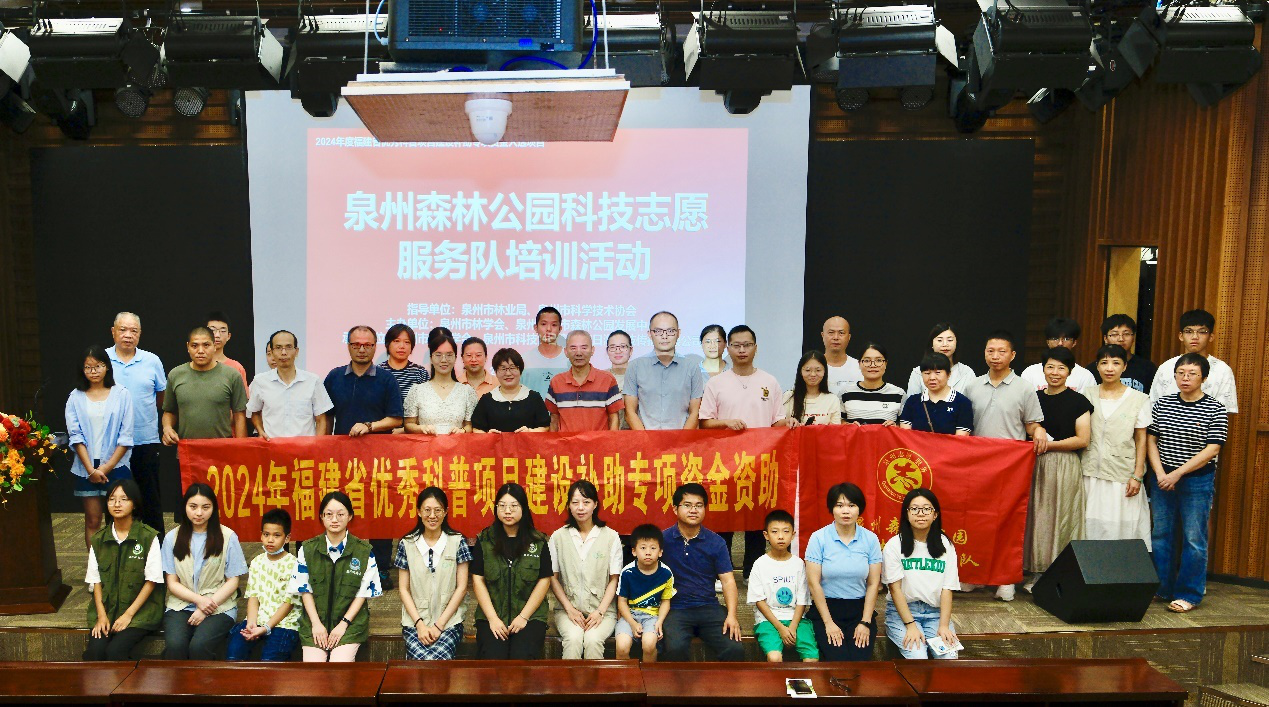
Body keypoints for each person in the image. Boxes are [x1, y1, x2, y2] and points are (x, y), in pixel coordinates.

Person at [699, 325, 791, 580]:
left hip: (760, 461)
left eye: (747, 345)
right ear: (727, 348)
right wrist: (726, 423)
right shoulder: (716, 383)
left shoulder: (769, 381)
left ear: (755, 348)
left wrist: (789, 423)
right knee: (724, 519)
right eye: (736, 345)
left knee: (756, 517)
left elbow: (776, 421)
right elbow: (704, 422)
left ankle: (753, 573)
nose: (742, 350)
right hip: (724, 463)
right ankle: (723, 573)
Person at [961, 330, 1046, 601]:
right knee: (975, 520)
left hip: (1011, 467)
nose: (995, 356)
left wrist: (1039, 431)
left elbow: (1032, 424)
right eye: (990, 351)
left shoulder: (1024, 388)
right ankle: (973, 575)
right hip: (977, 465)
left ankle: (1005, 578)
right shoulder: (972, 386)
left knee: (1008, 522)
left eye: (1001, 351)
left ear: (1013, 355)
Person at [1147, 353, 1228, 613]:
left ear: (1204, 378)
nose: (1185, 378)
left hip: (1196, 480)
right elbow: (1151, 440)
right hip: (1162, 478)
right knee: (1161, 535)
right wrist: (1160, 473)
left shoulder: (1215, 408)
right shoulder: (1162, 404)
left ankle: (1189, 594)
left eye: (1192, 373)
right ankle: (1162, 588)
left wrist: (1177, 474)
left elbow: (1212, 449)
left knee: (1194, 538)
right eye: (1181, 373)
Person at [1026, 347, 1093, 585]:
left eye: (1061, 368)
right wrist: (1037, 431)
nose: (1055, 372)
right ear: (1043, 369)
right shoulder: (1033, 397)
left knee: (1062, 516)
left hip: (1065, 463)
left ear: (1070, 372)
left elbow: (1083, 439)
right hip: (1034, 463)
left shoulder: (1079, 401)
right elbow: (1027, 424)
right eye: (1050, 367)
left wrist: (1048, 445)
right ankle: (1035, 571)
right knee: (1036, 516)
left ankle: (1058, 573)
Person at [292, 491, 383, 661]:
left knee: (339, 665)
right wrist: (316, 624)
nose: (334, 519)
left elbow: (362, 594)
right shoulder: (307, 549)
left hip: (350, 626)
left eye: (340, 514)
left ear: (350, 516)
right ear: (321, 516)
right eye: (329, 514)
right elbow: (305, 590)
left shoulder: (364, 552)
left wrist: (343, 625)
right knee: (313, 669)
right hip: (314, 623)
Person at [161, 483, 248, 660]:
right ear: (185, 507)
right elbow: (172, 583)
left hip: (219, 605)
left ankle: (206, 679)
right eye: (193, 507)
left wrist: (207, 607)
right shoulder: (172, 538)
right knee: (176, 646)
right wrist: (198, 600)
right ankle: (177, 679)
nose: (199, 513)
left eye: (205, 507)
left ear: (213, 509)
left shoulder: (228, 536)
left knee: (199, 646)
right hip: (181, 604)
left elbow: (233, 581)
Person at [660, 483, 744, 662]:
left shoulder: (716, 542)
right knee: (674, 648)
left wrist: (732, 615)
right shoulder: (662, 540)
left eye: (699, 505)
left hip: (709, 606)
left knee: (734, 648)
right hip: (675, 608)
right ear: (675, 509)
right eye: (687, 505)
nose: (693, 510)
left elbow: (728, 581)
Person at [83, 479, 163, 661]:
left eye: (123, 499)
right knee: (95, 653)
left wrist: (128, 615)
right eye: (112, 499)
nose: (117, 504)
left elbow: (152, 581)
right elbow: (96, 581)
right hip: (108, 610)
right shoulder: (98, 539)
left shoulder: (148, 537)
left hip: (140, 612)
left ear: (134, 504)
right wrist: (101, 616)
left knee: (115, 652)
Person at [471, 483, 552, 659]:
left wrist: (523, 617)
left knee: (522, 656)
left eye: (514, 506)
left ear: (523, 508)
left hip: (530, 617)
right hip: (492, 616)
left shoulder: (538, 542)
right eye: (502, 506)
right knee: (493, 655)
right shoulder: (485, 540)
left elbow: (544, 580)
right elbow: (478, 580)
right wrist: (492, 618)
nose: (507, 511)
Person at [1082, 344, 1152, 546]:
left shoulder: (1139, 399)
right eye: (1104, 363)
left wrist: (1137, 474)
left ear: (1124, 367)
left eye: (1116, 363)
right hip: (1089, 472)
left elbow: (1141, 439)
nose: (1109, 368)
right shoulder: (1087, 395)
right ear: (1097, 366)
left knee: (1120, 529)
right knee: (1088, 528)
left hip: (1122, 474)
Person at [67, 346, 136, 548]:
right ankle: (94, 566)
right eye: (88, 367)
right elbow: (75, 437)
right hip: (86, 467)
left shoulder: (122, 394)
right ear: (82, 370)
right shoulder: (75, 397)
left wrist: (105, 468)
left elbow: (126, 436)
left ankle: (121, 565)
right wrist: (91, 470)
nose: (94, 371)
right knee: (93, 520)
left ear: (107, 367)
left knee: (120, 519)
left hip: (116, 465)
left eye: (98, 366)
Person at [805, 482, 883, 661]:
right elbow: (813, 583)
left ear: (859, 509)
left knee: (859, 661)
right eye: (839, 505)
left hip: (860, 610)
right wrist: (828, 623)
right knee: (839, 660)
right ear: (832, 509)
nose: (846, 511)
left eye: (851, 505)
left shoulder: (870, 539)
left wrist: (865, 622)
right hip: (827, 609)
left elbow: (873, 584)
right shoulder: (818, 538)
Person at [106, 312, 167, 533]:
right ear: (113, 332)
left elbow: (161, 397)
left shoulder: (152, 361)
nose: (128, 335)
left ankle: (156, 549)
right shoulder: (102, 360)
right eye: (123, 330)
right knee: (115, 499)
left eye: (134, 331)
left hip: (145, 439)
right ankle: (115, 547)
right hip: (111, 443)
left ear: (140, 334)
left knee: (150, 498)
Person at [882, 488, 961, 660]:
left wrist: (944, 625)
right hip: (902, 613)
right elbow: (895, 589)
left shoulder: (945, 545)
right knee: (918, 657)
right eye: (915, 509)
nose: (921, 513)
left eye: (927, 508)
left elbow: (947, 588)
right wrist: (910, 625)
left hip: (936, 613)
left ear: (935, 514)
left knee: (949, 657)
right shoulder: (894, 545)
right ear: (907, 514)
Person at [396, 487, 471, 661]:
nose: (432, 516)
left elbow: (461, 588)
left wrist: (439, 625)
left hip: (449, 622)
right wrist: (419, 625)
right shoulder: (407, 544)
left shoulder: (458, 541)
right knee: (420, 662)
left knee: (440, 661)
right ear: (418, 512)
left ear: (445, 512)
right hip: (415, 623)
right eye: (427, 510)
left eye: (438, 510)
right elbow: (403, 589)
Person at [549, 480, 622, 659]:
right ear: (569, 505)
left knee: (593, 640)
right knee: (573, 639)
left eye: (586, 502)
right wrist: (569, 609)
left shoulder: (611, 537)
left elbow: (614, 579)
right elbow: (553, 578)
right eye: (575, 502)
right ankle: (568, 679)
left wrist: (600, 612)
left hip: (603, 611)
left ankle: (594, 679)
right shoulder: (558, 537)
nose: (580, 508)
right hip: (567, 610)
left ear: (595, 504)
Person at [226, 509, 300, 661]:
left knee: (269, 660)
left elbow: (289, 603)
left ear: (287, 538)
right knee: (234, 653)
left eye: (277, 535)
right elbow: (253, 596)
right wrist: (251, 623)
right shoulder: (257, 562)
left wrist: (266, 628)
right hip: (258, 619)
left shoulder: (294, 564)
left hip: (284, 623)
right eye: (266, 534)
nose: (270, 540)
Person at [748, 509, 818, 663]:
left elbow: (802, 600)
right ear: (766, 535)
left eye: (786, 531)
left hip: (797, 619)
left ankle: (806, 681)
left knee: (811, 658)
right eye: (774, 532)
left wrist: (792, 627)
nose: (780, 536)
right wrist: (780, 628)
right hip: (768, 620)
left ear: (793, 535)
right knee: (774, 657)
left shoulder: (799, 564)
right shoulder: (760, 564)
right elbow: (759, 601)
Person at [161, 326, 248, 446]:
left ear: (214, 346)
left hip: (223, 450)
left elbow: (239, 415)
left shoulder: (232, 375)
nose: (200, 351)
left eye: (206, 345)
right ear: (188, 347)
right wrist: (167, 428)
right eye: (194, 346)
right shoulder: (175, 375)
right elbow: (169, 411)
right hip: (188, 450)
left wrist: (241, 448)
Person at [624, 311, 705, 431]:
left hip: (682, 439)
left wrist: (681, 439)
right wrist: (646, 439)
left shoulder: (692, 367)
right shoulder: (635, 366)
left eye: (670, 331)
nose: (664, 336)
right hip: (645, 439)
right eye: (658, 331)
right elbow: (630, 412)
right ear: (649, 334)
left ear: (678, 333)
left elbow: (695, 412)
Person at [246, 330, 332, 439]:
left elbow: (321, 419)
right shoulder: (260, 381)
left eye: (288, 347)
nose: (283, 352)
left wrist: (317, 444)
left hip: (305, 448)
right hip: (272, 446)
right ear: (272, 352)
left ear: (296, 351)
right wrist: (260, 431)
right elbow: (254, 413)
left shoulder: (313, 381)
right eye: (278, 348)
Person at [1150, 309, 1238, 413]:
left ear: (1211, 337)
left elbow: (1224, 412)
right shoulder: (1166, 368)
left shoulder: (1222, 370)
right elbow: (1153, 407)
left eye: (1202, 332)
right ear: (1181, 336)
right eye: (1189, 331)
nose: (1195, 337)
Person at [615, 524, 675, 662]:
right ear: (634, 551)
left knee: (649, 645)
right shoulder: (627, 572)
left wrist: (660, 621)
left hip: (652, 616)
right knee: (622, 647)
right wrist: (632, 623)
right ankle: (625, 676)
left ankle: (648, 675)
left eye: (653, 548)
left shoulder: (666, 573)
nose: (648, 552)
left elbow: (666, 601)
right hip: (629, 616)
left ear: (660, 552)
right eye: (643, 548)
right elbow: (622, 602)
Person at [545, 330, 622, 432]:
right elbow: (554, 419)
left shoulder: (607, 379)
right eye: (573, 348)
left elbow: (614, 418)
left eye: (584, 348)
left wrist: (611, 441)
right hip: (566, 442)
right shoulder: (556, 382)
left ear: (592, 350)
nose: (579, 353)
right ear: (566, 352)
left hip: (599, 442)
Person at [404, 331, 478, 435]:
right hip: (426, 444)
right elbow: (408, 424)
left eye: (449, 355)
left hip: (457, 444)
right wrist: (422, 428)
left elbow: (470, 426)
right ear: (431, 358)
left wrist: (463, 430)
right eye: (438, 355)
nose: (444, 360)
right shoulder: (417, 391)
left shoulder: (467, 391)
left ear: (455, 358)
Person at [470, 348, 551, 433]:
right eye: (503, 369)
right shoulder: (487, 400)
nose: (508, 373)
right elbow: (477, 428)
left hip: (526, 442)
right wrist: (488, 436)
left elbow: (545, 427)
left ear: (520, 370)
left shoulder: (534, 398)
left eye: (512, 368)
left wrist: (530, 432)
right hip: (494, 442)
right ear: (496, 372)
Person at [898, 353, 973, 436]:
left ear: (949, 374)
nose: (932, 378)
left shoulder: (963, 403)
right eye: (927, 373)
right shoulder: (912, 401)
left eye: (937, 372)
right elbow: (906, 436)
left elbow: (961, 439)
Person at [1020, 318, 1097, 392]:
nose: (1060, 343)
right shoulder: (1030, 372)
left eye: (1066, 339)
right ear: (1047, 342)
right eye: (1055, 338)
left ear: (1074, 343)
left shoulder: (1085, 376)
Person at [904, 323, 977, 399]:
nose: (945, 344)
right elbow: (912, 403)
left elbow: (972, 402)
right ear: (932, 344)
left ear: (956, 343)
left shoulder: (967, 372)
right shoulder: (918, 372)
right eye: (939, 340)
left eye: (950, 340)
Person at [1088, 315, 1157, 393]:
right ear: (1105, 338)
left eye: (1126, 334)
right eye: (1114, 334)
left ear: (1133, 337)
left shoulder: (1147, 368)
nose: (1121, 339)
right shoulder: (1093, 370)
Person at [842, 343, 905, 425]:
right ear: (859, 363)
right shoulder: (846, 393)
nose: (872, 365)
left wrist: (895, 427)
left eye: (878, 360)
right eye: (867, 361)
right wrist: (847, 426)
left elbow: (905, 426)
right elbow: (837, 422)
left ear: (886, 363)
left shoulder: (898, 394)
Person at [380, 323, 431, 424]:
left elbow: (427, 407)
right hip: (382, 429)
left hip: (413, 430)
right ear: (387, 344)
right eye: (396, 341)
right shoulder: (379, 372)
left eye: (407, 342)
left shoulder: (420, 372)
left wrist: (406, 429)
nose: (402, 346)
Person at [781, 351, 842, 426]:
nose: (813, 374)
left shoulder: (832, 399)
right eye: (807, 370)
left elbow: (836, 430)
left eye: (818, 370)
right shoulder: (788, 397)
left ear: (824, 372)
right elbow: (779, 426)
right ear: (800, 371)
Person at [521, 306, 568, 396]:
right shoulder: (524, 359)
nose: (548, 329)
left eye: (554, 325)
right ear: (536, 328)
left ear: (560, 329)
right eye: (543, 324)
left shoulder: (569, 359)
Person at [206, 312, 249, 391]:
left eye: (222, 331)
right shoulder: (196, 365)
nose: (217, 335)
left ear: (228, 336)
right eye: (212, 330)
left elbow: (242, 397)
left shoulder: (236, 368)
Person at [821, 316, 862, 396]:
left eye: (841, 333)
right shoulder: (812, 368)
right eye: (831, 332)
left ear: (849, 337)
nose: (836, 337)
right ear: (823, 335)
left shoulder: (860, 367)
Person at [605, 330, 634, 429]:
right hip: (609, 433)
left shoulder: (640, 375)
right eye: (613, 347)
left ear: (630, 350)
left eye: (623, 346)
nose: (618, 351)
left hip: (636, 433)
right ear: (607, 351)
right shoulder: (601, 377)